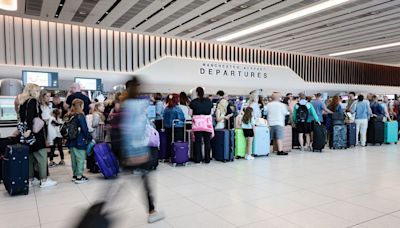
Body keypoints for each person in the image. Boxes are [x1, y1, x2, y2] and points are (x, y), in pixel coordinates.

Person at [121, 76, 165, 223]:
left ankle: (152, 210)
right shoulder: (136, 105)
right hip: (137, 150)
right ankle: (152, 211)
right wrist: (137, 152)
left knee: (126, 184)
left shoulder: (124, 104)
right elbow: (134, 130)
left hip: (129, 150)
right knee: (143, 182)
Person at [18, 83, 57, 188]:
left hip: (25, 134)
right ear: (33, 91)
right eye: (38, 91)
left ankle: (30, 180)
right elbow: (31, 116)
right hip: (35, 133)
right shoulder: (33, 101)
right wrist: (30, 129)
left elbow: (23, 118)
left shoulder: (22, 102)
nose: (39, 93)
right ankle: (44, 180)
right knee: (42, 156)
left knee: (30, 157)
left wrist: (26, 131)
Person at [66, 99, 93, 183]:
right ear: (81, 106)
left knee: (74, 159)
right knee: (80, 158)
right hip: (79, 140)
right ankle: (79, 176)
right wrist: (89, 138)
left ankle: (75, 175)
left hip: (71, 140)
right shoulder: (80, 116)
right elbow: (84, 129)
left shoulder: (71, 115)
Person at [189, 87, 213, 163]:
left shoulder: (193, 102)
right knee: (207, 142)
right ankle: (207, 159)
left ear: (196, 93)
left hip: (197, 124)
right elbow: (211, 112)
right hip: (207, 124)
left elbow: (190, 113)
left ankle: (198, 159)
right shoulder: (209, 101)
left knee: (198, 142)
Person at [163, 94, 185, 159]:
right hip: (177, 128)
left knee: (168, 142)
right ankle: (176, 156)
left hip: (167, 128)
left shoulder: (166, 108)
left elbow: (164, 117)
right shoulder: (177, 108)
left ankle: (168, 156)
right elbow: (182, 118)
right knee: (176, 143)